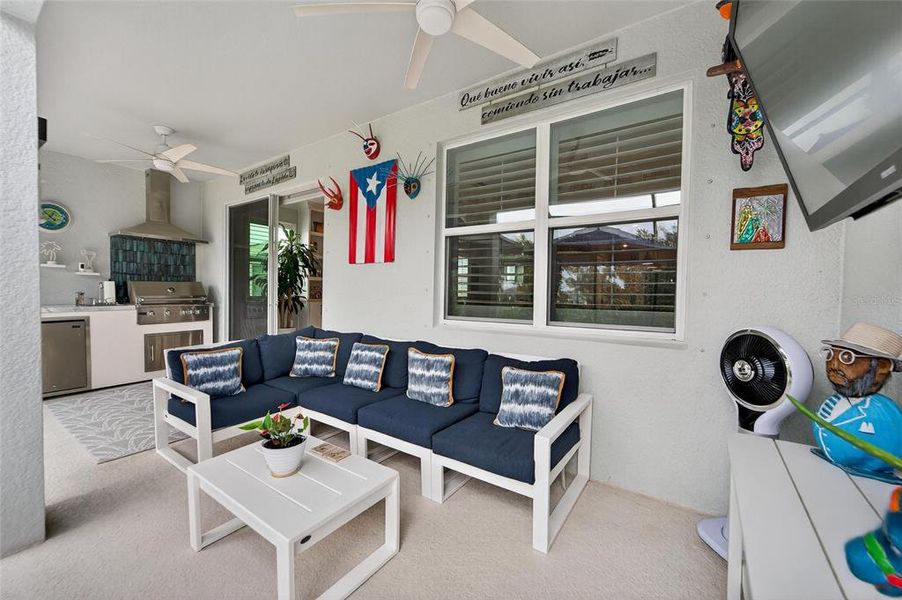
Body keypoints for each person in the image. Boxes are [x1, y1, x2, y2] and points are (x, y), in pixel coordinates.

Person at [813, 322, 902, 481]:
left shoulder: (886, 414)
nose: (834, 364)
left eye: (847, 357)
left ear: (882, 366)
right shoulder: (832, 402)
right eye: (830, 354)